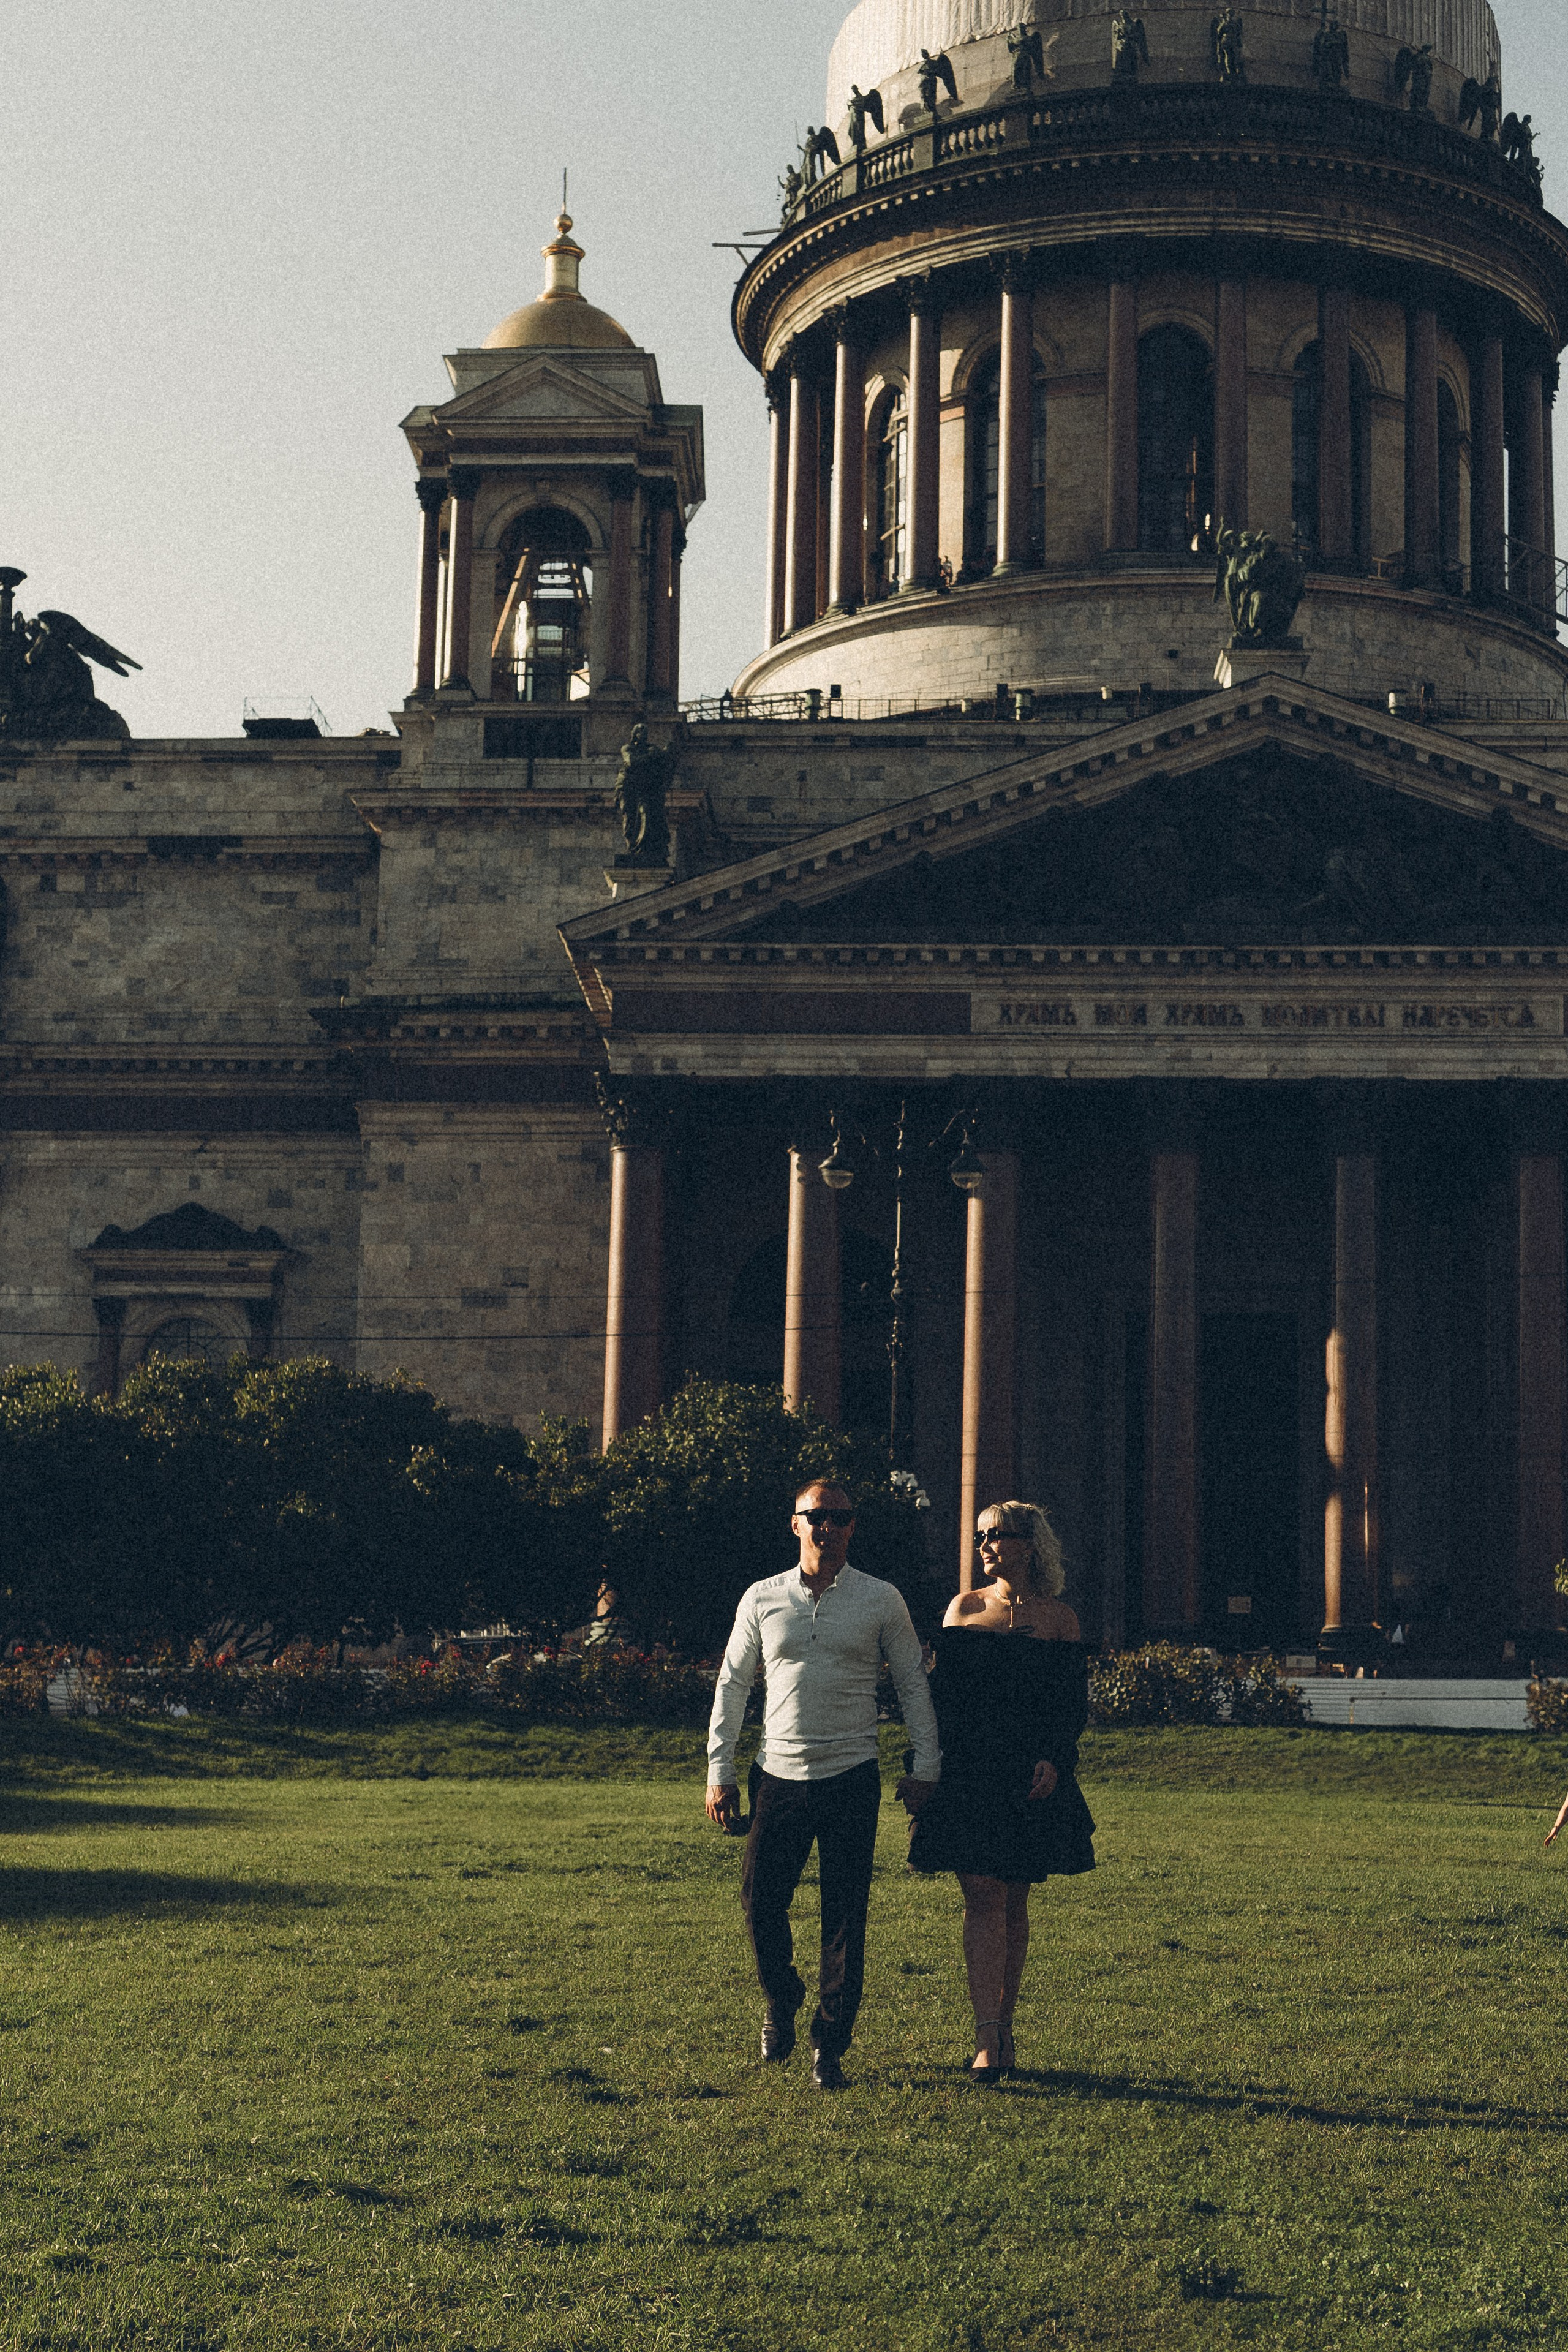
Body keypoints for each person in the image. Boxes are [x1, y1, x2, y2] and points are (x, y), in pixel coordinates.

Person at [706, 1479, 940, 2090]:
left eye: (839, 1517)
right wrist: (719, 1772)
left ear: (852, 1526)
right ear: (795, 1524)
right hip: (777, 1775)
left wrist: (926, 1767)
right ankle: (781, 1998)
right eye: (815, 1517)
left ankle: (829, 2045)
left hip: (851, 1775)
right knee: (760, 1902)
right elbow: (733, 1684)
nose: (827, 1527)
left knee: (844, 1916)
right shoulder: (762, 1597)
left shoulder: (880, 1598)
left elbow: (912, 1683)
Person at [908, 1500, 1095, 2082]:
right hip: (969, 1772)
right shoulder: (963, 1608)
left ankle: (1005, 2025)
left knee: (1014, 1901)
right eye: (981, 1536)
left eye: (997, 1535)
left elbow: (1070, 1706)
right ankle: (986, 2034)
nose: (985, 1545)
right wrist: (922, 1766)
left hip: (1030, 1775)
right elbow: (938, 1701)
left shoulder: (1061, 1619)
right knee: (983, 1895)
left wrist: (1055, 1759)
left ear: (1030, 1545)